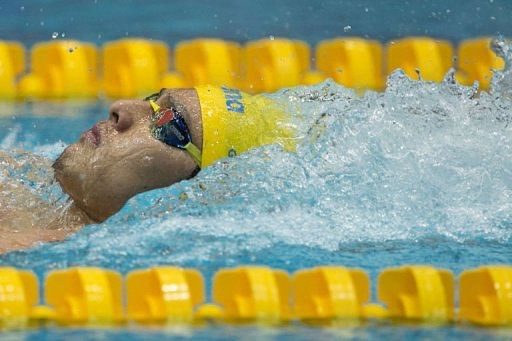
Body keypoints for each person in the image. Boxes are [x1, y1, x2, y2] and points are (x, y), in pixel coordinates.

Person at [1, 86, 299, 253]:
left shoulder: (34, 254)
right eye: (152, 102)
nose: (121, 107)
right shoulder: (20, 181)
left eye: (170, 122)